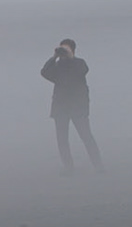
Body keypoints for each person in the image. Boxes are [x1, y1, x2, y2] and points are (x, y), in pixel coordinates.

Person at [41, 38, 103, 174]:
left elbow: (82, 71)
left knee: (86, 137)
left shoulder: (79, 64)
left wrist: (71, 57)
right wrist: (54, 57)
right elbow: (44, 73)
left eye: (65, 49)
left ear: (73, 50)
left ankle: (99, 166)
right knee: (62, 140)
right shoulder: (57, 67)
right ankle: (69, 168)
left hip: (78, 108)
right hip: (61, 108)